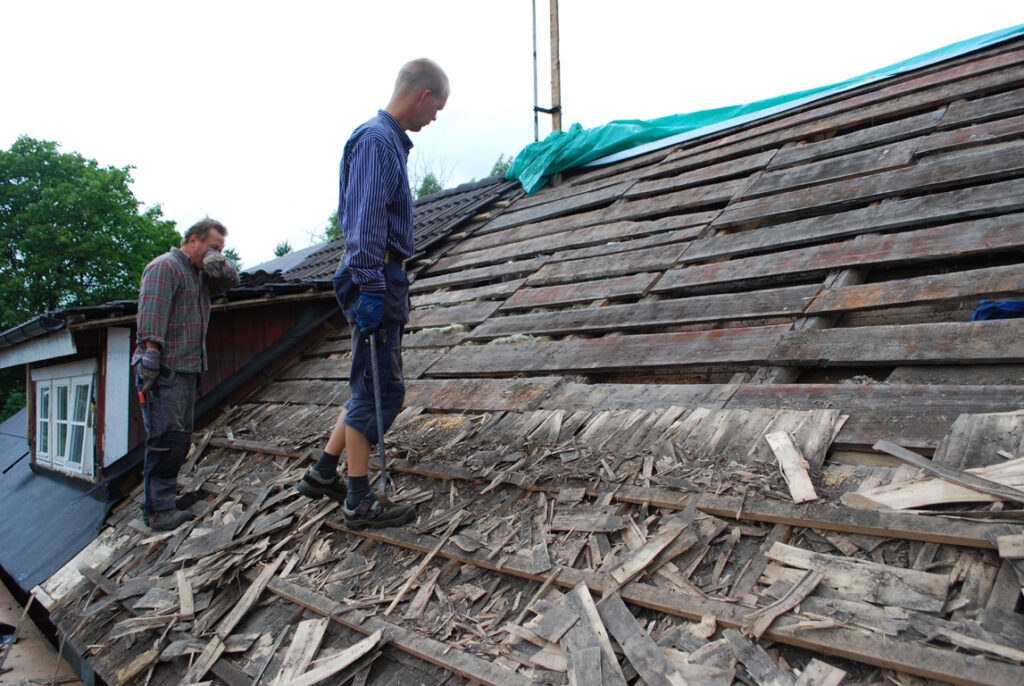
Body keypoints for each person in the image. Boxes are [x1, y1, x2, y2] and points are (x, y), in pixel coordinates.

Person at [296, 58, 449, 527]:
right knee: (380, 389)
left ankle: (324, 472)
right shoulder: (377, 142)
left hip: (381, 275)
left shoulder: (385, 144)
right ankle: (359, 501)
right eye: (437, 108)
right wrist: (370, 287)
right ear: (422, 95)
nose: (435, 119)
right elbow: (364, 221)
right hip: (375, 275)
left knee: (370, 382)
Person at [133, 218, 239, 530]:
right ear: (192, 240)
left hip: (186, 369)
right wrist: (151, 353)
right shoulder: (166, 267)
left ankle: (164, 500)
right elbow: (152, 312)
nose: (216, 253)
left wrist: (221, 265)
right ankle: (157, 510)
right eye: (212, 246)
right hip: (164, 369)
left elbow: (233, 282)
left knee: (178, 440)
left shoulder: (199, 275)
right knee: (166, 439)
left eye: (221, 249)